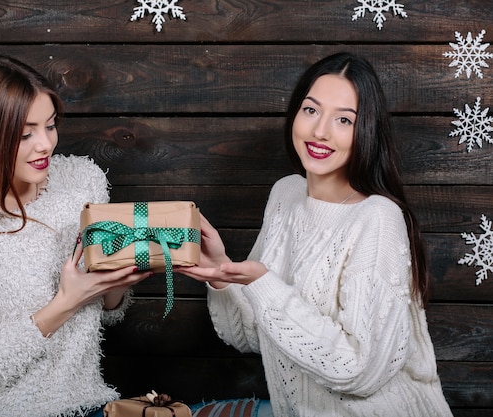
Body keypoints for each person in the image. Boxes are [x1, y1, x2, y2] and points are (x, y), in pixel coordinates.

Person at [178, 52, 453, 417]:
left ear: (365, 130)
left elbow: (359, 371)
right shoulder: (286, 194)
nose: (320, 131)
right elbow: (248, 336)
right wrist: (222, 273)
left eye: (343, 119)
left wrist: (264, 283)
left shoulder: (378, 219)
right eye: (311, 110)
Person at [0, 55, 151, 417]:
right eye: (25, 134)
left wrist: (115, 282)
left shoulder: (82, 182)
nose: (45, 145)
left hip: (93, 404)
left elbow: (106, 314)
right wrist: (63, 303)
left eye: (50, 126)